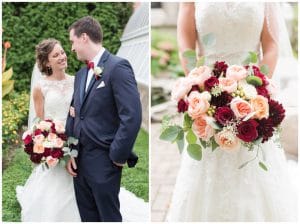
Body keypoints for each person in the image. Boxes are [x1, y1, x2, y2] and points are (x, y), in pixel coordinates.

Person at [167, 2, 297, 221]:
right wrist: (202, 90)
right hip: (208, 100)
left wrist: (256, 92)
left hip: (252, 97)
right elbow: (186, 45)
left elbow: (271, 46)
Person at [17, 38, 148, 222]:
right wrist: (48, 144)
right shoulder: (40, 87)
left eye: (62, 52)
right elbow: (40, 122)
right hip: (57, 145)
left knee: (93, 195)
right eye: (56, 55)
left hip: (84, 145)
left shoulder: (79, 79)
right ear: (47, 62)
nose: (63, 56)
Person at [65, 16, 143, 222]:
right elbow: (74, 115)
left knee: (108, 217)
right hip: (79, 162)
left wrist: (117, 156)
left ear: (83, 38)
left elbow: (132, 115)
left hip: (104, 159)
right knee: (88, 217)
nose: (72, 48)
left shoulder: (118, 67)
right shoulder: (81, 74)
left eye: (72, 41)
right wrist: (72, 152)